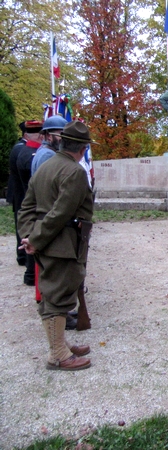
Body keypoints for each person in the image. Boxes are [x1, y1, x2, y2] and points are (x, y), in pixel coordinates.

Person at [17, 121, 96, 371]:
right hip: (63, 241)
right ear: (83, 148)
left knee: (54, 291)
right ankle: (58, 354)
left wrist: (30, 236)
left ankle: (59, 343)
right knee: (59, 296)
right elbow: (61, 213)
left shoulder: (45, 166)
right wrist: (37, 239)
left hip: (47, 239)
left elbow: (26, 207)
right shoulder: (74, 172)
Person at [14, 121, 44, 285]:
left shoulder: (26, 151)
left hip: (27, 201)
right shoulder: (30, 154)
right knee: (33, 241)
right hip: (32, 204)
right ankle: (31, 276)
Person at [7, 121, 33, 266]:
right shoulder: (21, 149)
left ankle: (22, 255)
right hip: (20, 192)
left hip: (18, 191)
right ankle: (22, 255)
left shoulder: (19, 147)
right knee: (22, 224)